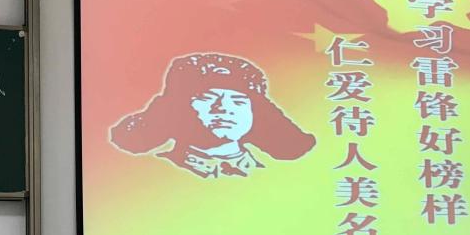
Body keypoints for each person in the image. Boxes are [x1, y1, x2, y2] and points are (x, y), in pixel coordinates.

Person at [109, 52, 315, 178]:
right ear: (178, 107)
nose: (224, 108)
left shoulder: (278, 175)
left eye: (239, 101)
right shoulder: (148, 173)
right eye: (207, 98)